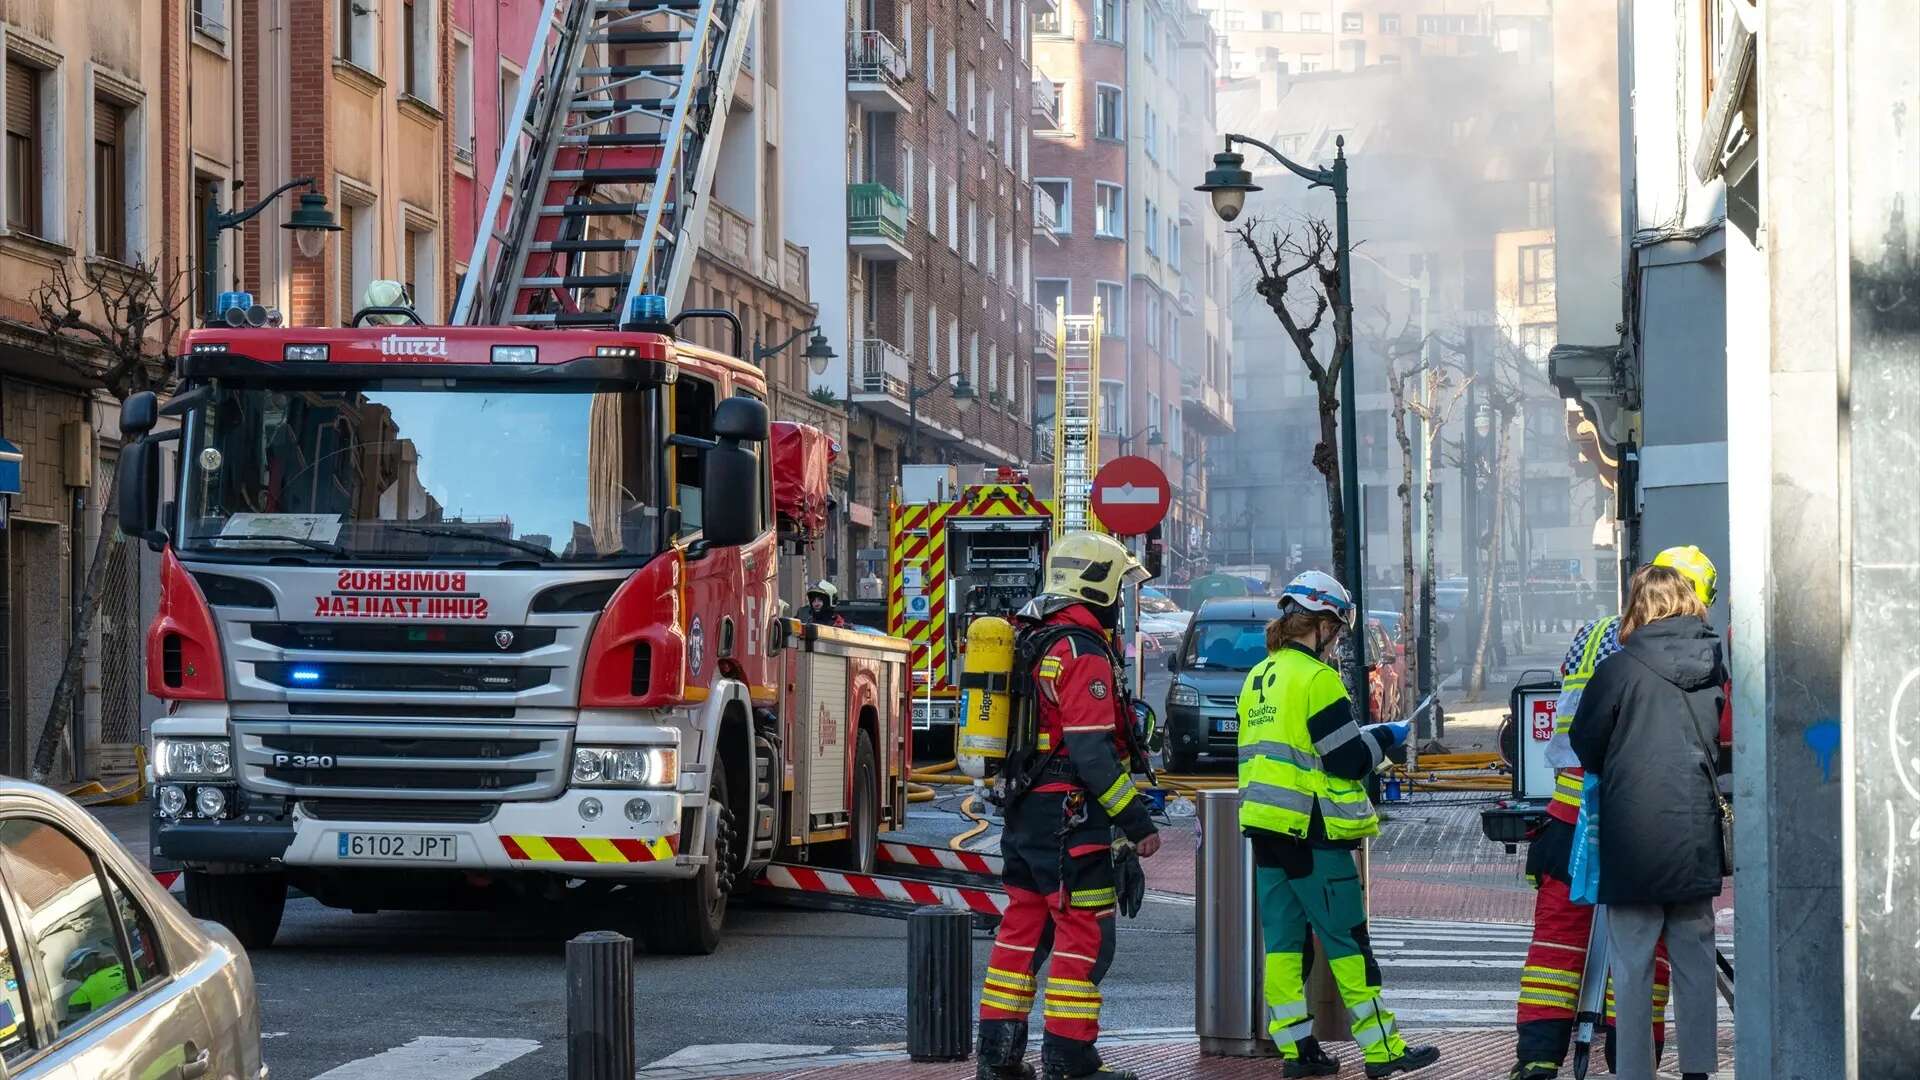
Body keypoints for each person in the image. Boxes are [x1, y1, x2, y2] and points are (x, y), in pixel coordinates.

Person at [1238, 571, 1439, 1079]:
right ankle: (1383, 1050)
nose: (1337, 642)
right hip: (1313, 833)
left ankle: (1298, 1053)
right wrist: (1385, 738)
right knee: (1349, 943)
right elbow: (1346, 759)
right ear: (1323, 625)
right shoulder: (1317, 679)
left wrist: (1361, 737)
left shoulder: (1259, 677)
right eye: (1338, 631)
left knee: (1284, 945)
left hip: (1265, 829)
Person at [975, 532, 1161, 1080]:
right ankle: (1069, 1060)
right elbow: (1093, 753)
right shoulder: (1080, 650)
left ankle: (998, 1059)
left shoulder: (1031, 637)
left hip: (1026, 809)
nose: (1120, 602)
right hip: (1069, 818)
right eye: (1118, 587)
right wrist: (1137, 823)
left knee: (1022, 930)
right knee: (1085, 935)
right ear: (1096, 584)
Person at [1570, 561, 1727, 1080]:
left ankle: (1635, 1073)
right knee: (1695, 960)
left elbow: (1585, 742)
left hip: (1633, 839)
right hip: (1695, 833)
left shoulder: (1619, 669)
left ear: (1639, 606)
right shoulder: (1713, 665)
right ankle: (1698, 1071)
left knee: (1633, 965)